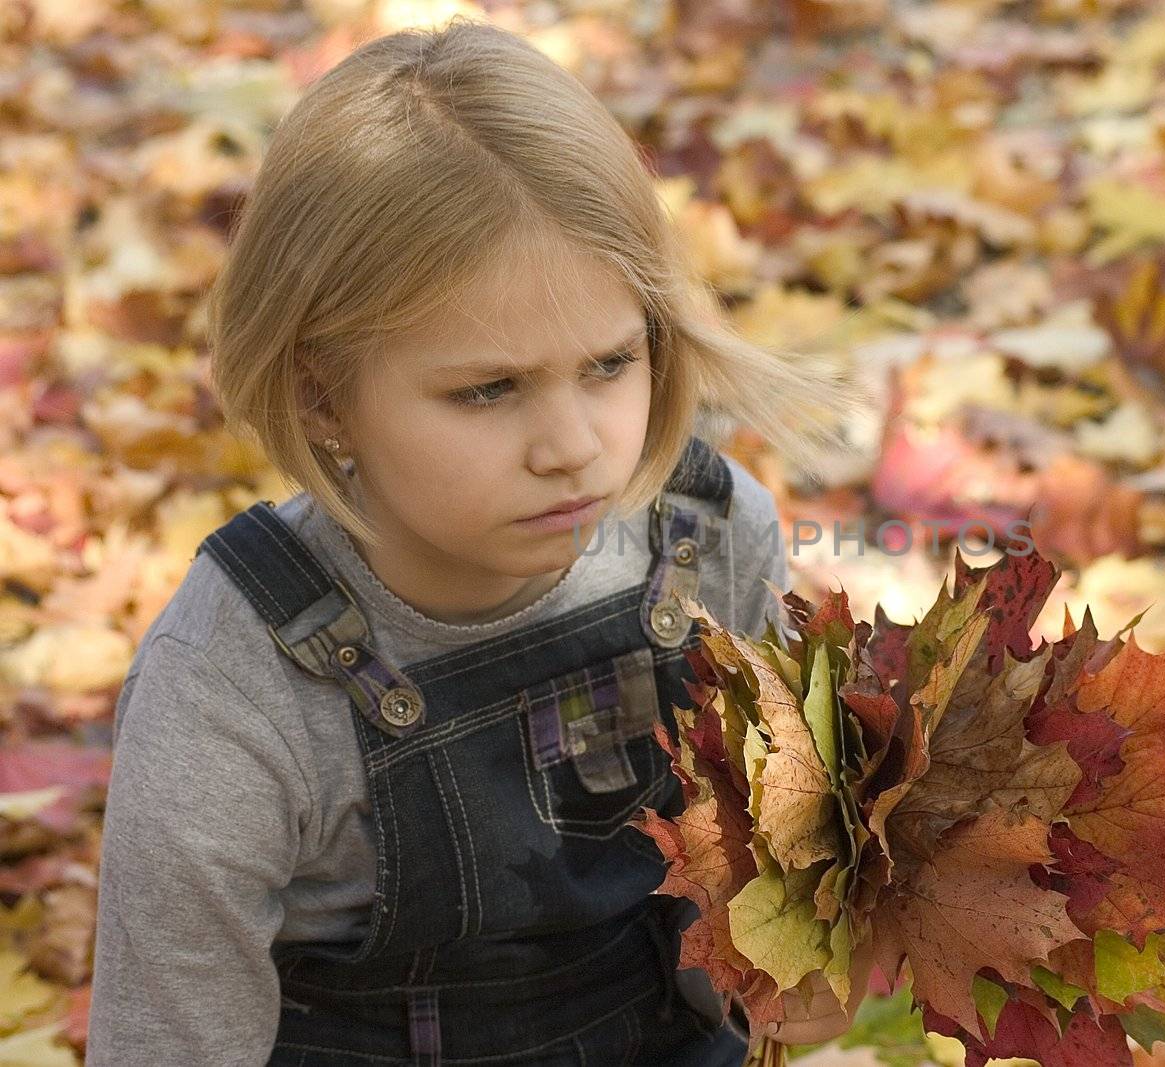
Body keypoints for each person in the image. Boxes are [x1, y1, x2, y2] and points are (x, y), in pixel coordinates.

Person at [85, 17, 867, 1066]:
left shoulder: (708, 540)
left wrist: (798, 954)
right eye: (488, 389)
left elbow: (778, 872)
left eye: (606, 364)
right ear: (322, 395)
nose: (571, 448)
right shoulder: (233, 685)